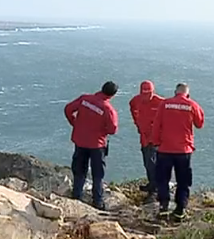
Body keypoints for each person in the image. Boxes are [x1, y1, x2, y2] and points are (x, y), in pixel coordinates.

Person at [150, 83, 204, 221]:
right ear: (187, 93)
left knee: (162, 179)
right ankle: (180, 210)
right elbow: (199, 123)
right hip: (183, 150)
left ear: (175, 92)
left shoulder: (165, 104)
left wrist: (155, 142)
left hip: (165, 149)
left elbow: (156, 124)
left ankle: (163, 207)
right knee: (183, 181)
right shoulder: (192, 105)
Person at [64, 81, 119, 210]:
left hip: (80, 141)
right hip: (97, 145)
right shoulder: (108, 109)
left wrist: (75, 123)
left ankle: (76, 195)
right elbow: (112, 129)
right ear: (113, 95)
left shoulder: (85, 99)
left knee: (79, 170)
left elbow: (68, 109)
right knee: (98, 174)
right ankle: (98, 201)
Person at [129, 80, 164, 193]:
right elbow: (133, 108)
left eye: (149, 93)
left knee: (153, 162)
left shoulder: (161, 102)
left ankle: (156, 187)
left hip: (157, 137)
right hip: (144, 137)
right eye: (144, 93)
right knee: (147, 162)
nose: (147, 96)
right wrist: (137, 123)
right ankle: (152, 184)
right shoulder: (136, 100)